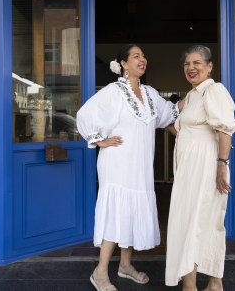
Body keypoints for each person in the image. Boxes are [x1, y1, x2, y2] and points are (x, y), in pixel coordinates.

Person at [77, 44, 180, 291]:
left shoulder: (151, 93)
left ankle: (124, 266)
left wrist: (197, 96)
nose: (142, 59)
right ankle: (100, 271)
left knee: (131, 213)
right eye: (136, 56)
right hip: (117, 163)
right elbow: (84, 114)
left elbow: (170, 114)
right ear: (123, 63)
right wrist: (98, 139)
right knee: (117, 212)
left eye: (144, 55)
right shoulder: (113, 92)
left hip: (140, 165)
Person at [165, 45, 235, 291]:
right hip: (190, 168)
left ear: (209, 66)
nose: (191, 67)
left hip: (205, 165)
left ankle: (190, 285)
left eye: (197, 63)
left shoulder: (214, 90)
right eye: (187, 63)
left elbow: (225, 129)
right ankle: (214, 283)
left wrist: (221, 165)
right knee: (203, 222)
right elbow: (182, 128)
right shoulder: (193, 95)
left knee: (194, 222)